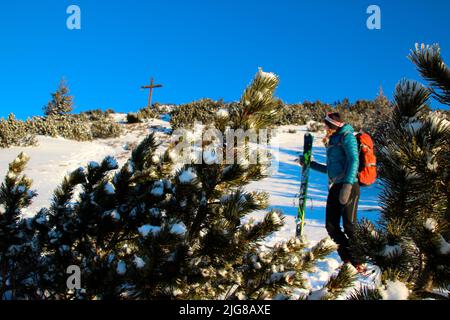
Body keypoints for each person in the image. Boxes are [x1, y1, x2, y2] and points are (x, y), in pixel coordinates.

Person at [301, 112, 361, 268]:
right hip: (336, 186)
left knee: (349, 225)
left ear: (333, 125)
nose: (325, 128)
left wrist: (347, 185)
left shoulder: (347, 136)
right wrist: (310, 164)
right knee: (331, 225)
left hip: (349, 186)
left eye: (327, 125)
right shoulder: (333, 140)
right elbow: (331, 169)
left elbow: (354, 159)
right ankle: (348, 260)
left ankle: (360, 260)